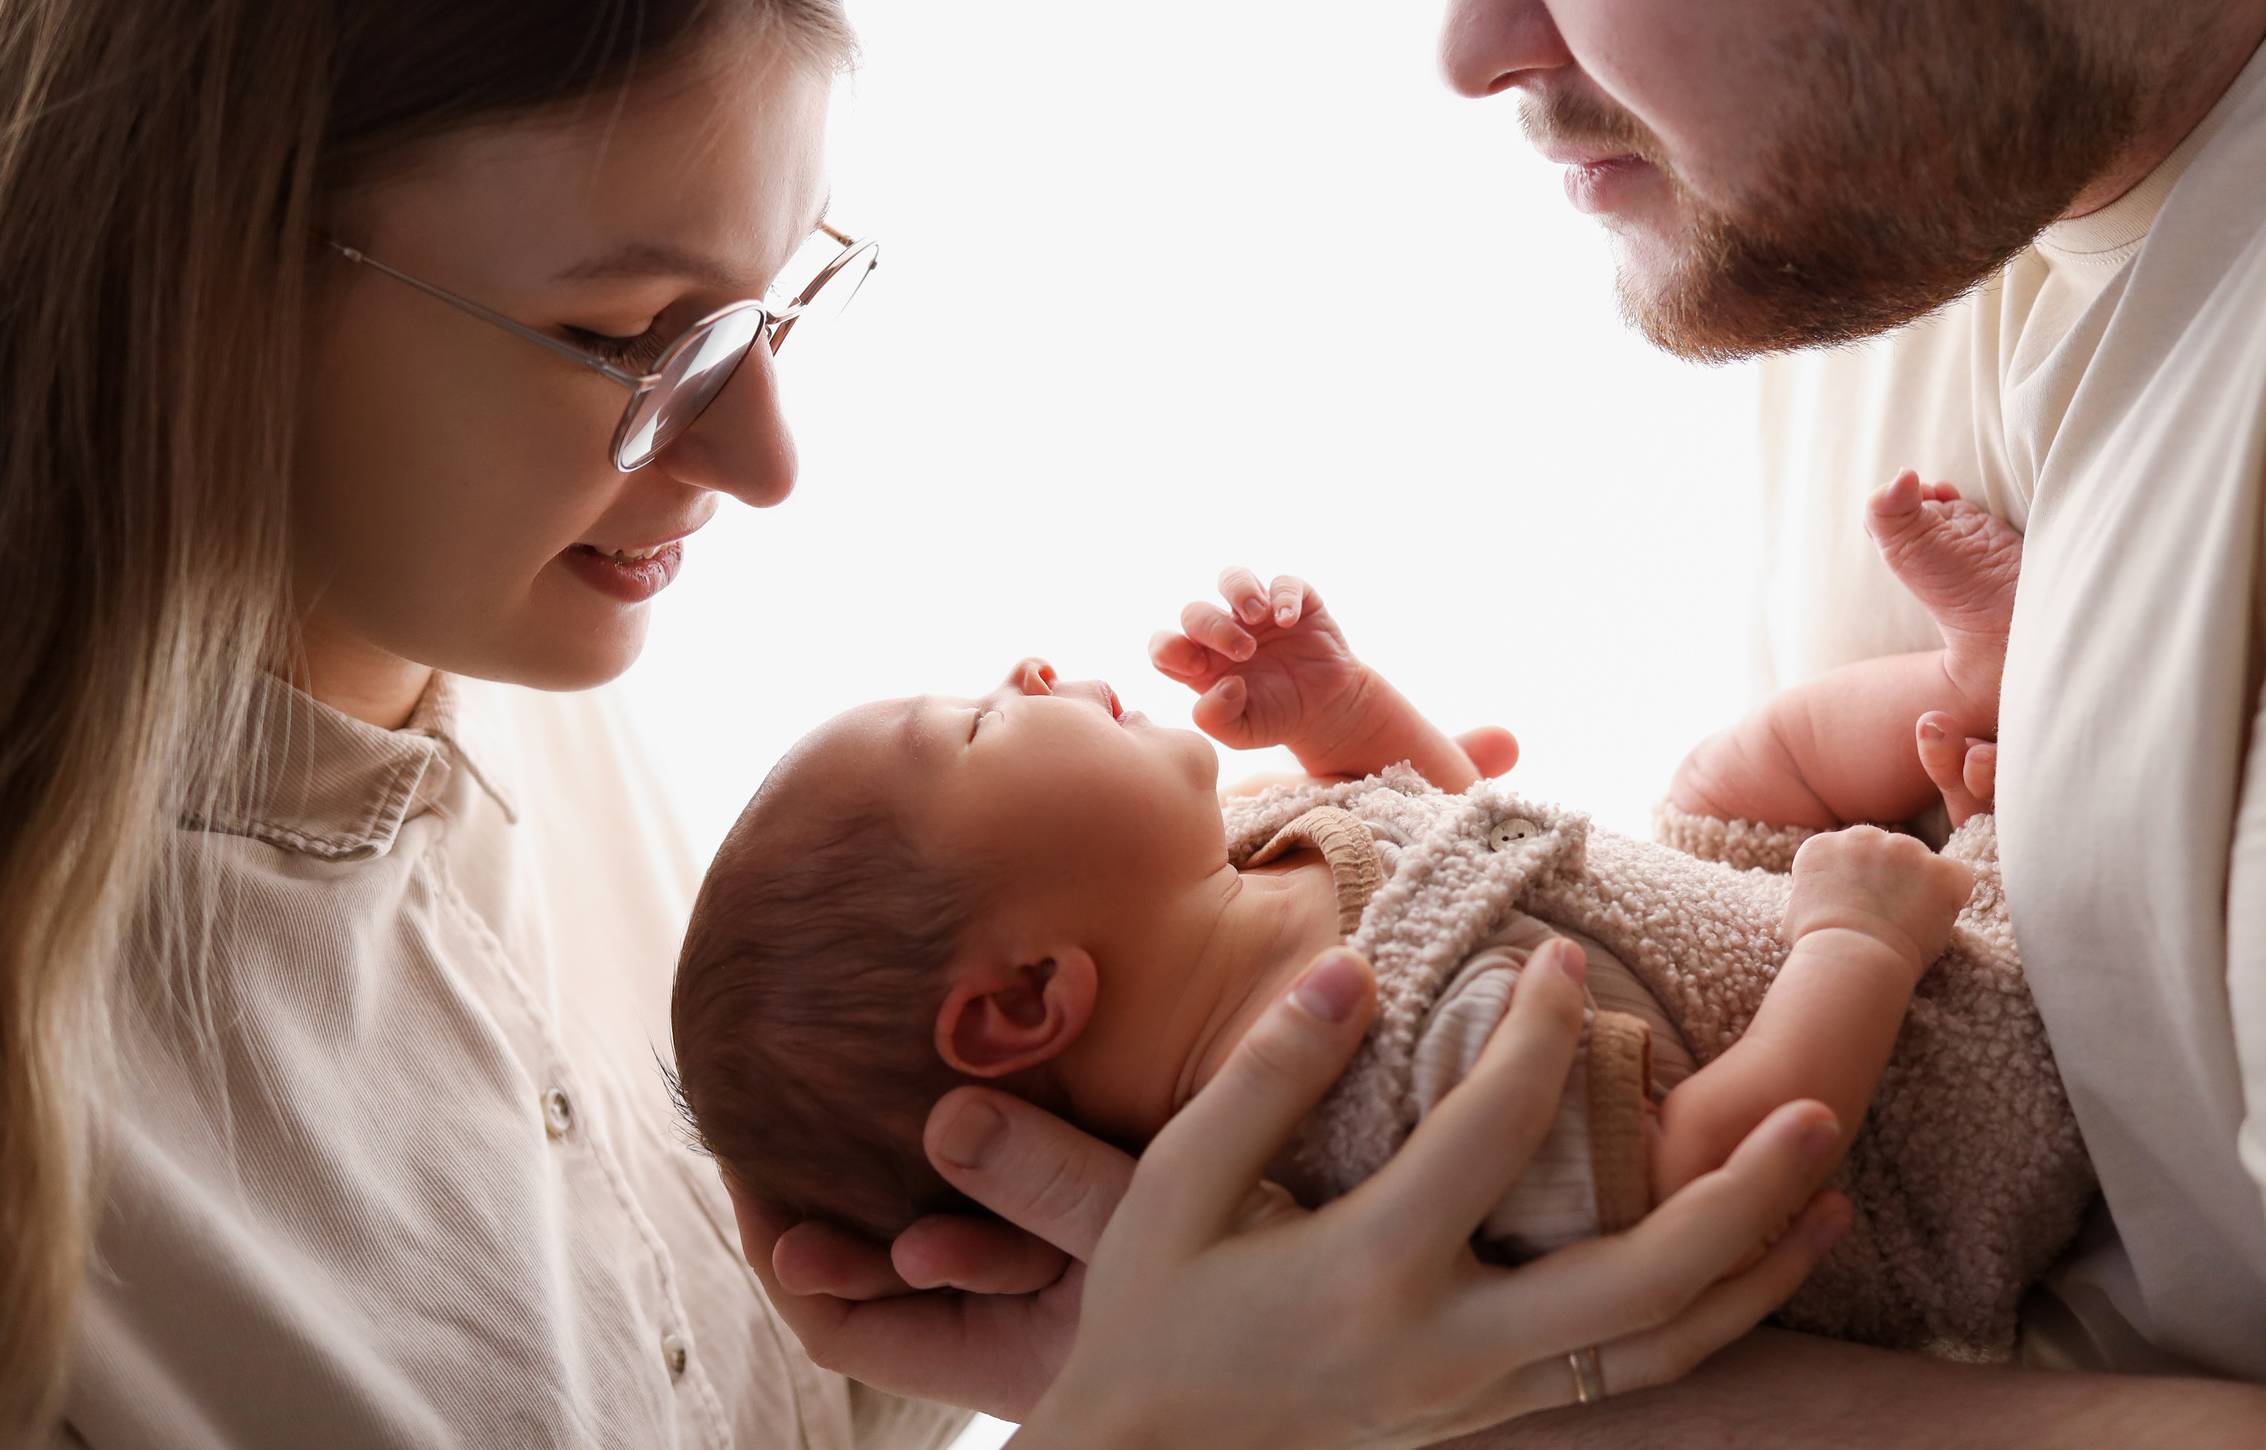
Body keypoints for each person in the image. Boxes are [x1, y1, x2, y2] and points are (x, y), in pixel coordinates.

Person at [0, 0, 1848, 1443]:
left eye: (772, 306)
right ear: (199, 270)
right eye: (635, 336)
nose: (767, 462)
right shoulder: (51, 1153)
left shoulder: (568, 728)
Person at [750, 0, 2266, 1445]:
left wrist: (1386, 1408)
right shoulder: (1904, 143)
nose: (1460, 45)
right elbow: (1555, 900)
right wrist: (1246, 1343)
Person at [668, 478, 2056, 1342]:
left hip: (1715, 935)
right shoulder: (1384, 1113)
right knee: (1968, 898)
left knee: (1728, 769)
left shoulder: (1238, 857)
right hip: (1922, 1105)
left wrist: (1343, 711)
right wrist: (1859, 945)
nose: (1024, 668)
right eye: (974, 725)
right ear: (1030, 996)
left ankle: (1978, 673)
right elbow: (1709, 1184)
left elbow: (1462, 843)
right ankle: (1998, 845)